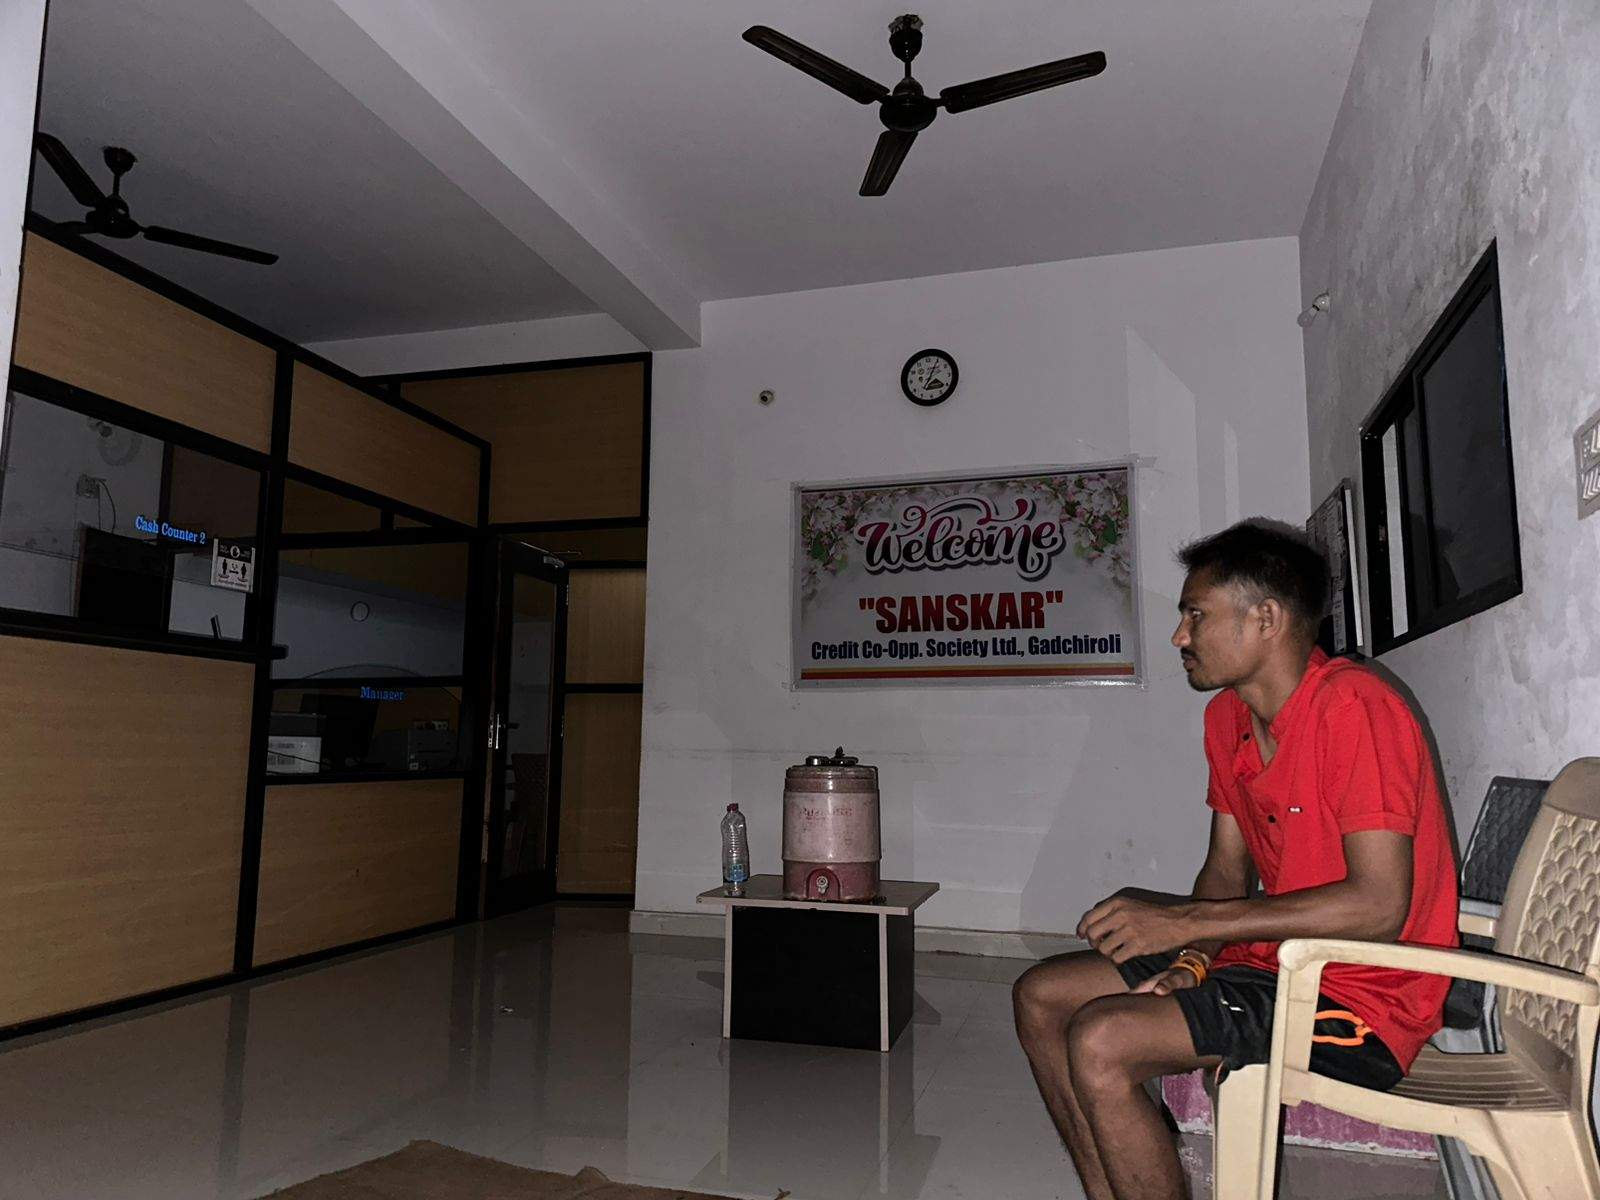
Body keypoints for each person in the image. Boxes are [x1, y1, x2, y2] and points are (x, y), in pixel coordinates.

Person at [1013, 519, 1457, 1200]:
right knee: (1042, 996)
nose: (1179, 636)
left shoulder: (1355, 708)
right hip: (1269, 964)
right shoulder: (1227, 719)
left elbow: (1377, 906)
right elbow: (1226, 869)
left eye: (1196, 614)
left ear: (1266, 619)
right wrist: (1194, 958)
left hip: (1362, 997)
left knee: (1104, 1039)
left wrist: (1185, 924)